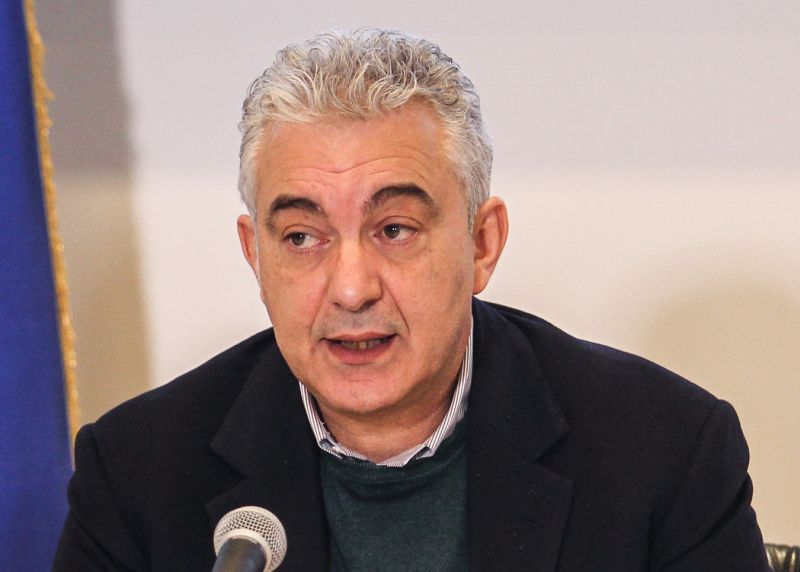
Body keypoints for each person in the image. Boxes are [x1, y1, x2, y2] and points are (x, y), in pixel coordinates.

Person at [53, 29, 770, 571]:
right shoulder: (138, 473)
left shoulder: (663, 450)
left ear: (481, 243)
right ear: (255, 257)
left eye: (394, 229)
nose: (351, 287)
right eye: (302, 237)